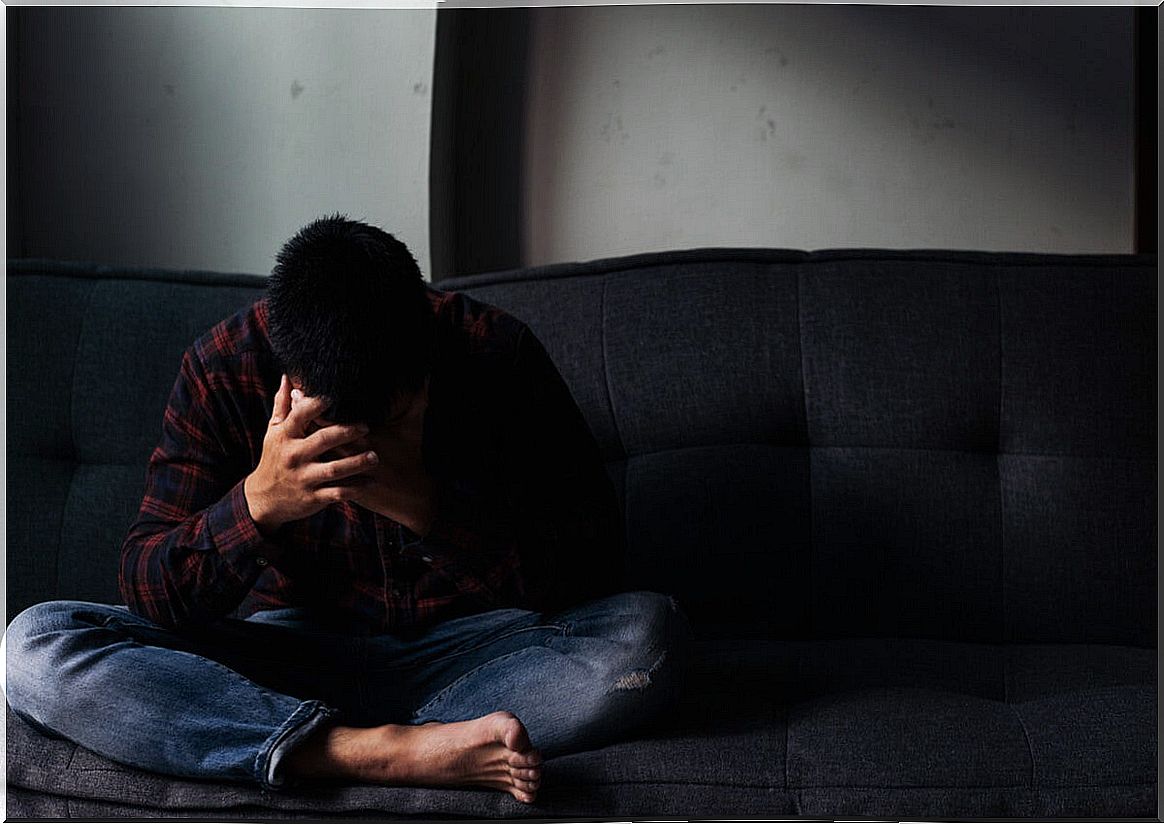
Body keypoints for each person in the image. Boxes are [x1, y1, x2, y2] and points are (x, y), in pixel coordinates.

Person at [3, 215, 689, 805]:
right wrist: (258, 504)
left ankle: (328, 738)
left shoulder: (492, 353)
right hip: (287, 650)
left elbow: (596, 568)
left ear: (421, 366)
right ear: (291, 381)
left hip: (474, 655)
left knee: (648, 636)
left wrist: (427, 508)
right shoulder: (223, 367)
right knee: (34, 647)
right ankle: (374, 751)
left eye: (383, 423)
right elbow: (148, 587)